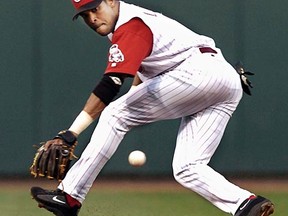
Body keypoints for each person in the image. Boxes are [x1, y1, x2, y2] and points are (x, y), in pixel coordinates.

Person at [30, 0, 274, 216]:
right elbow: (141, 75)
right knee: (187, 167)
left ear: (112, 2)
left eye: (95, 8)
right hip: (224, 81)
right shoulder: (129, 27)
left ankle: (69, 196)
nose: (92, 18)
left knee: (114, 114)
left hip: (197, 72)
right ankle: (246, 204)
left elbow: (111, 83)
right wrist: (131, 106)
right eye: (84, 15)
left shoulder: (131, 25)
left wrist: (71, 133)